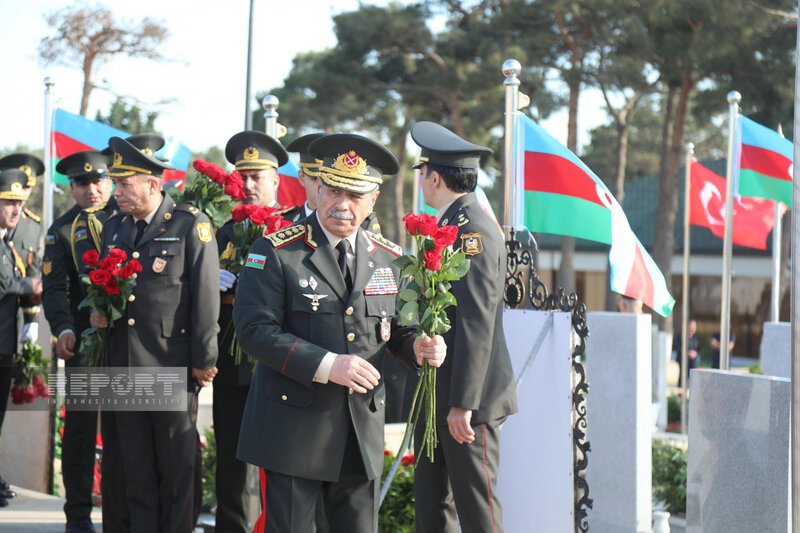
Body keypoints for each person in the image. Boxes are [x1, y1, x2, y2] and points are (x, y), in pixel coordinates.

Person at [233, 133, 447, 533]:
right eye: (332, 190)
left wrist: (419, 346)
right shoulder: (276, 251)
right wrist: (329, 365)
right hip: (293, 434)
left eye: (353, 195)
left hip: (357, 432)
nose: (341, 205)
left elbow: (398, 330)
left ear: (373, 199)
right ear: (316, 188)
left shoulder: (392, 259)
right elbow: (255, 331)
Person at [89, 135, 219, 533]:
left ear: (152, 183)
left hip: (170, 367)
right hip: (126, 366)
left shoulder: (189, 224)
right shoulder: (114, 228)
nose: (117, 192)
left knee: (176, 471)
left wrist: (204, 359)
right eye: (116, 183)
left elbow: (204, 298)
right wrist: (99, 311)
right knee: (137, 473)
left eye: (125, 184)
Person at [410, 121, 518, 533]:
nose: (421, 181)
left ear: (434, 177)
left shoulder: (471, 231)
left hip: (465, 401)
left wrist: (464, 404)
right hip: (442, 393)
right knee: (434, 508)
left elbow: (476, 320)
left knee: (477, 511)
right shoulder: (453, 224)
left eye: (422, 173)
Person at [214, 130, 290, 532]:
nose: (248, 184)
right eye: (242, 175)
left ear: (276, 179)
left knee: (278, 464)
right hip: (231, 363)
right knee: (231, 460)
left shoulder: (293, 230)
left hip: (278, 364)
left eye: (257, 175)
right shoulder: (224, 232)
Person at [42, 150, 113, 533]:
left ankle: (124, 512)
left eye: (99, 180)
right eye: (83, 183)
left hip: (130, 342)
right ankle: (79, 517)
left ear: (110, 180)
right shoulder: (62, 230)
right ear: (71, 188)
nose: (92, 189)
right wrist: (64, 329)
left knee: (127, 427)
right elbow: (55, 289)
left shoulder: (127, 217)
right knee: (81, 432)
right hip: (85, 343)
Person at [0, 169, 43, 507]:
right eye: (8, 202)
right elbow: (5, 284)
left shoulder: (7, 241)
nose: (16, 209)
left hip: (5, 342)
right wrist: (31, 285)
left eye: (18, 202)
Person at [0, 154, 44, 348]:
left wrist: (31, 321)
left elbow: (33, 268)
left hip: (11, 324)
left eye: (26, 186)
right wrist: (32, 285)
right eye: (11, 201)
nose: (23, 194)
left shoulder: (33, 226)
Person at [672, 319, 699, 385]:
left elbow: (698, 348)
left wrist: (695, 353)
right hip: (682, 358)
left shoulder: (695, 338)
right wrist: (687, 353)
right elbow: (677, 347)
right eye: (691, 327)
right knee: (683, 374)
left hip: (692, 360)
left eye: (694, 327)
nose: (692, 329)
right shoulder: (680, 336)